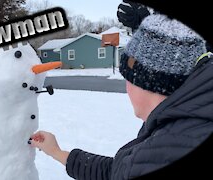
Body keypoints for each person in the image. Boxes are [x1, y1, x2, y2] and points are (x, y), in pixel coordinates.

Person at [28, 14, 213, 179]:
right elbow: (116, 171)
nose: (126, 87)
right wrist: (56, 152)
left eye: (128, 78)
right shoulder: (180, 125)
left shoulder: (170, 149)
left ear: (148, 81)